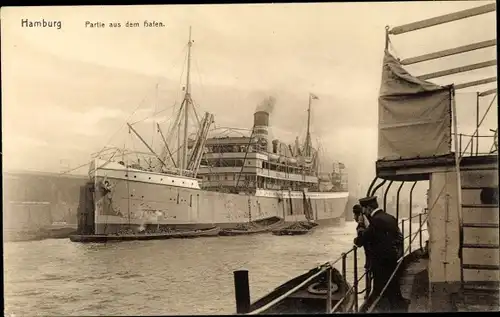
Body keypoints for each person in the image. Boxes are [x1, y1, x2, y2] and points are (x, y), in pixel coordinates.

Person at [354, 196, 408, 312]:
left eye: (364, 210)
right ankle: (399, 305)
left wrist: (360, 225)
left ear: (368, 208)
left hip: (380, 262)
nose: (364, 213)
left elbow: (361, 241)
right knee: (393, 285)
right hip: (392, 258)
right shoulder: (390, 218)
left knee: (380, 289)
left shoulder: (375, 221)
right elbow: (398, 237)